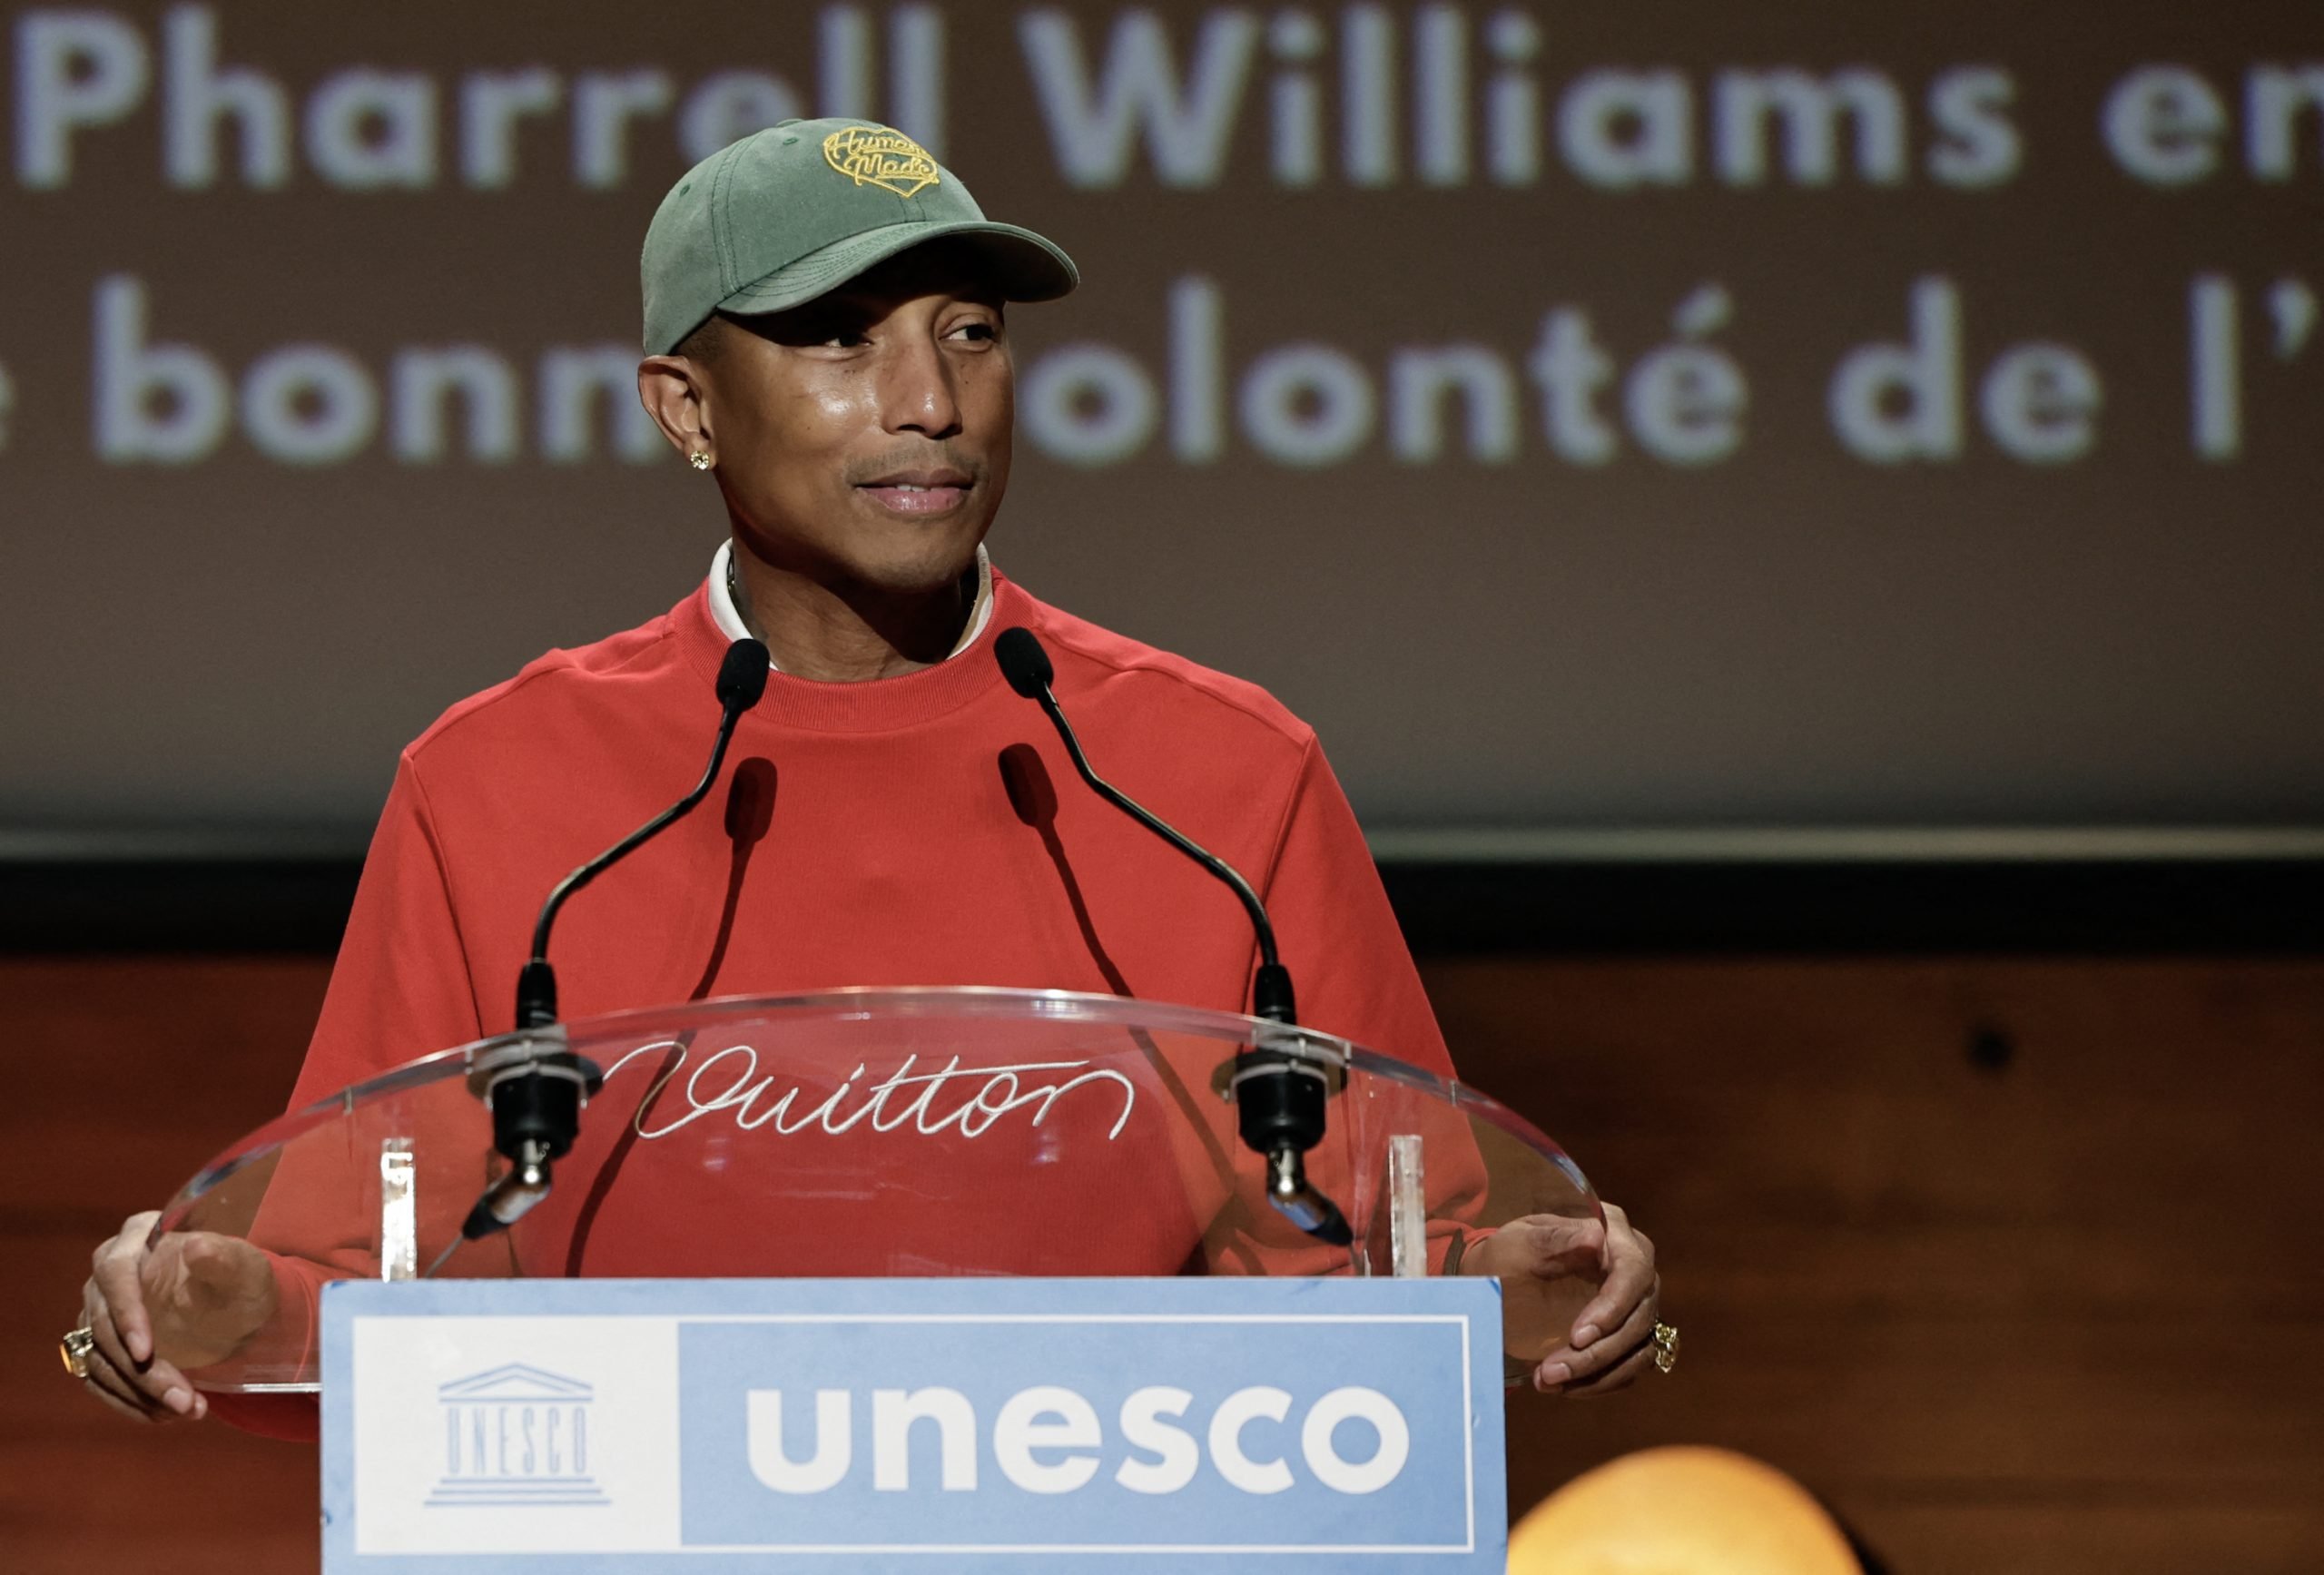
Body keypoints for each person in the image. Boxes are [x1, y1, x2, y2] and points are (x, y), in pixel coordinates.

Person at [67, 119, 1668, 1432]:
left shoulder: (1218, 775)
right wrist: (193, 1308)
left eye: (968, 333)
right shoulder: (497, 786)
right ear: (685, 409)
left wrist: (1535, 1282)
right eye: (841, 339)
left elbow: (1386, 1251)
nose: (931, 401)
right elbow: (359, 1291)